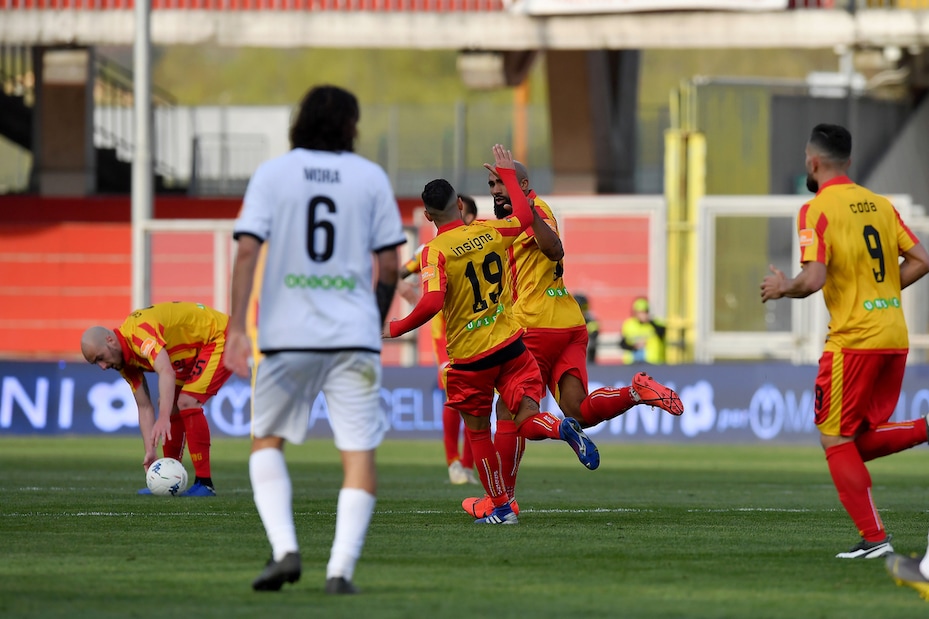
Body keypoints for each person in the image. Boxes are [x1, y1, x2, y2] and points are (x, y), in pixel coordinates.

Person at [224, 85, 405, 594]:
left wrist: (237, 327)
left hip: (286, 335)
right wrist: (371, 321)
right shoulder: (370, 177)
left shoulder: (272, 174)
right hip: (353, 337)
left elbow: (246, 252)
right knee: (359, 456)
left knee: (266, 443)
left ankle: (285, 549)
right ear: (351, 125)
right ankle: (340, 572)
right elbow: (389, 263)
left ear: (300, 121)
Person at [384, 144, 601, 526]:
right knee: (523, 414)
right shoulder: (490, 232)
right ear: (460, 204)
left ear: (428, 214)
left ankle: (501, 507)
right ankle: (559, 426)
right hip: (511, 345)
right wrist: (512, 179)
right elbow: (522, 215)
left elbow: (433, 302)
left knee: (480, 431)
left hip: (471, 355)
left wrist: (394, 328)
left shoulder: (434, 251)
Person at [462, 159, 683, 519]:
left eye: (503, 182)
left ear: (524, 184)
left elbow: (554, 248)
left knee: (511, 412)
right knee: (579, 408)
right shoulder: (508, 222)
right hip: (568, 323)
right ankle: (635, 392)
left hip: (534, 327)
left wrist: (527, 209)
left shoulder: (534, 209)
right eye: (492, 183)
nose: (497, 190)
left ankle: (502, 502)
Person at [760, 123, 929, 559]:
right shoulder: (881, 205)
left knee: (834, 440)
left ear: (813, 162)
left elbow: (813, 279)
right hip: (893, 335)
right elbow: (921, 260)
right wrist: (883, 295)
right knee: (853, 439)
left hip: (854, 340)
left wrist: (785, 288)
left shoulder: (816, 209)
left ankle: (875, 540)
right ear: (848, 161)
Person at [80, 301, 230, 497]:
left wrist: (164, 417)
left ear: (110, 340)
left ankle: (205, 483)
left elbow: (166, 371)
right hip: (191, 351)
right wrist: (150, 451)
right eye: (95, 363)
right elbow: (144, 407)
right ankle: (168, 476)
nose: (102, 366)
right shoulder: (123, 363)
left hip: (219, 337)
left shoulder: (139, 333)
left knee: (186, 402)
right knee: (171, 404)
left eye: (100, 358)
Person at [396, 195, 479, 486]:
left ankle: (468, 465)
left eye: (467, 217)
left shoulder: (479, 241)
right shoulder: (428, 250)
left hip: (478, 331)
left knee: (478, 401)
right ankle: (453, 462)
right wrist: (410, 294)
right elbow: (399, 274)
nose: (461, 221)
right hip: (446, 335)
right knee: (455, 398)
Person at [620, 297, 667, 365]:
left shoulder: (655, 324)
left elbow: (662, 333)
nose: (642, 315)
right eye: (640, 312)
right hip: (632, 363)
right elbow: (622, 343)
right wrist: (634, 346)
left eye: (644, 312)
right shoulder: (628, 324)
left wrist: (650, 322)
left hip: (653, 363)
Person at [573, 293, 599, 364]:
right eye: (583, 308)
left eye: (586, 307)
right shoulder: (568, 321)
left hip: (587, 360)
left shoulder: (590, 320)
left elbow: (594, 333)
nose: (585, 311)